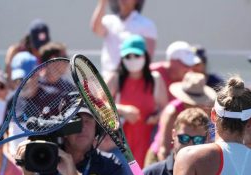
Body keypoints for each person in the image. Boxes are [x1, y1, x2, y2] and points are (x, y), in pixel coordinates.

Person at [106, 34, 168, 166]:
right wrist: (122, 110)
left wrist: (157, 117)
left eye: (137, 55)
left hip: (148, 143)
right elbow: (97, 104)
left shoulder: (155, 79)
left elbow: (165, 109)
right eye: (128, 56)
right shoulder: (115, 78)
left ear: (145, 56)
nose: (132, 59)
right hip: (119, 144)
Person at [145, 71, 216, 165]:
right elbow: (164, 149)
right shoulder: (172, 112)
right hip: (160, 159)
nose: (194, 104)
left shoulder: (205, 112)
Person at [90, 0, 157, 74]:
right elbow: (95, 29)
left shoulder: (147, 24)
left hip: (131, 80)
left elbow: (148, 56)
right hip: (107, 76)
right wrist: (102, 3)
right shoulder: (108, 20)